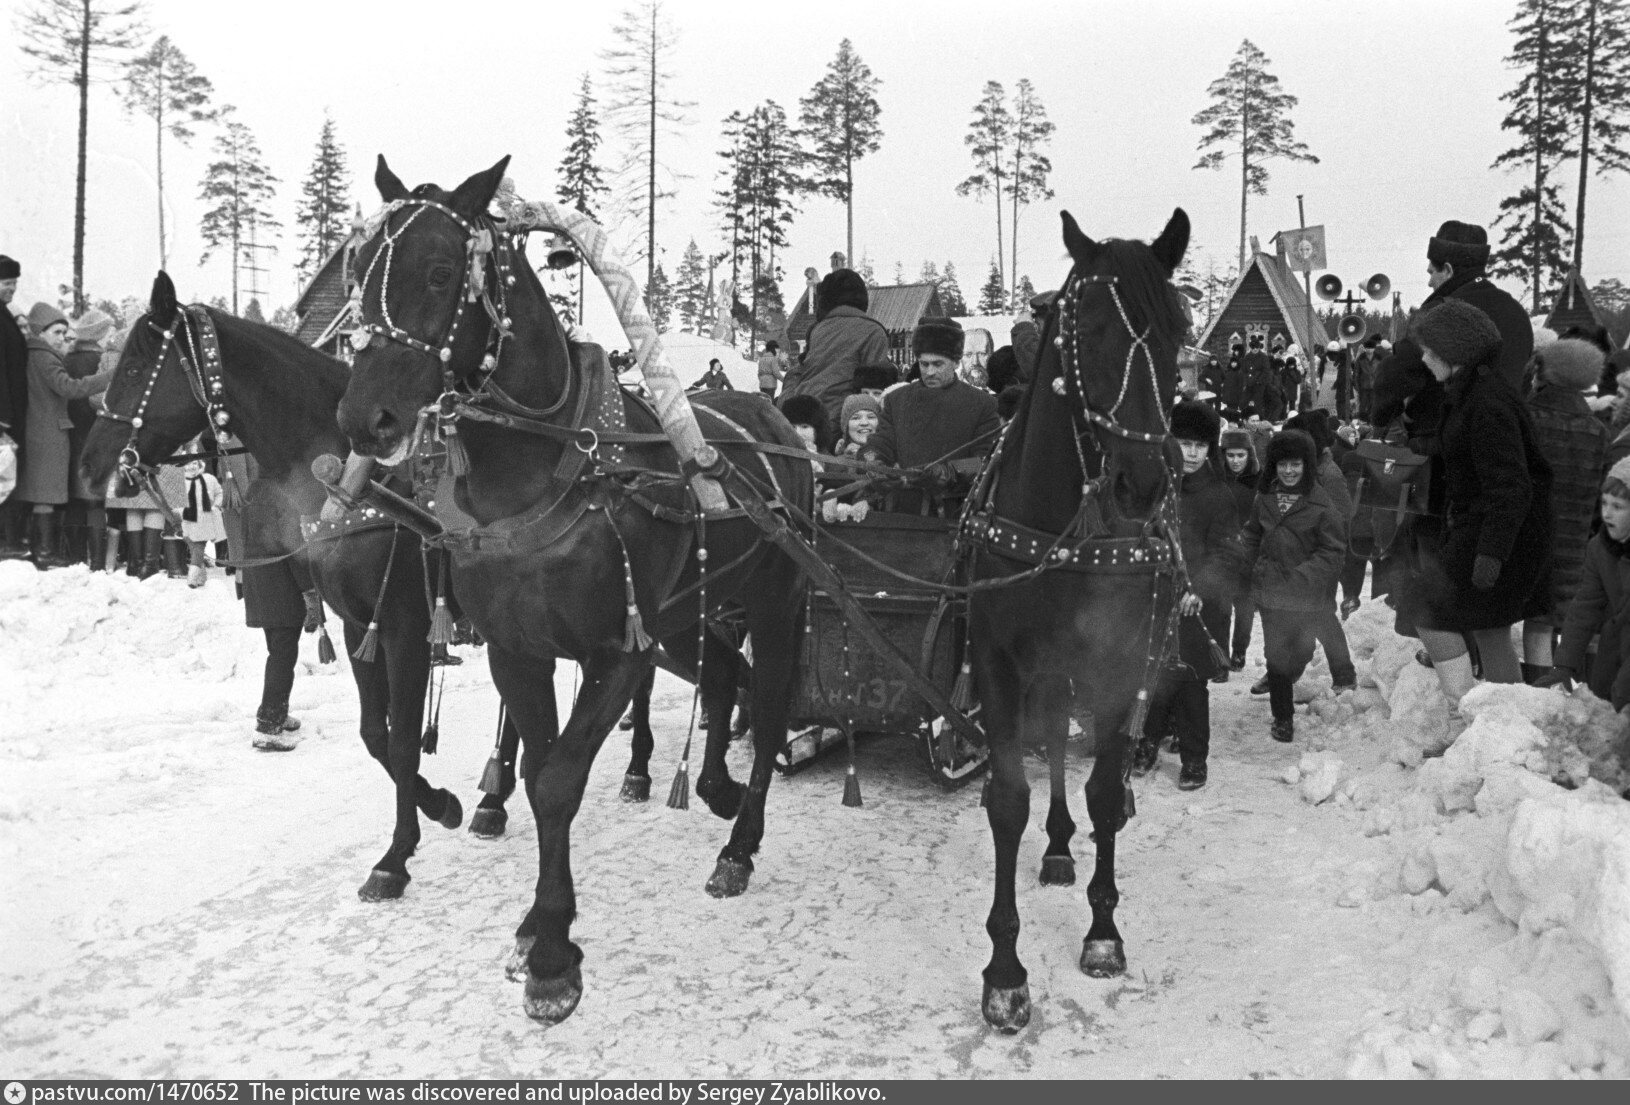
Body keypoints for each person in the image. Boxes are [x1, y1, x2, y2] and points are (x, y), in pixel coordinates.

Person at [1407, 299, 1553, 716]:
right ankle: (1501, 728)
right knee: (1490, 629)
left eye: (1431, 351)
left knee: (1429, 611)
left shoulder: (1487, 402)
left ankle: (1471, 712)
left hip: (1501, 534)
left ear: (1455, 355)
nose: (1424, 357)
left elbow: (1511, 486)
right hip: (1497, 529)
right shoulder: (1474, 391)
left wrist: (1491, 555)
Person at [1132, 400, 1239, 789]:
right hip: (1156, 601)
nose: (1191, 454)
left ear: (1211, 449)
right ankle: (1147, 741)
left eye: (1200, 445)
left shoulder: (1219, 496)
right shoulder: (1157, 490)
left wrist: (1201, 591)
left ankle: (1195, 759)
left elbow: (1227, 556)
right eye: (1184, 443)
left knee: (1191, 685)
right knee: (1154, 676)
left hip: (1197, 608)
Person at [1237, 428, 1347, 743]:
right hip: (1271, 593)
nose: (1288, 471)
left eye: (1295, 464)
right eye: (1283, 464)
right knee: (1276, 655)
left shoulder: (1321, 503)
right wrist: (1245, 558)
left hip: (1306, 598)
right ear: (1274, 465)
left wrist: (1302, 575)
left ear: (1307, 465)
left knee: (1301, 650)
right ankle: (1282, 718)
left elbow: (1333, 551)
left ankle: (1290, 680)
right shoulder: (1265, 497)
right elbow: (1253, 534)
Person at [1522, 338, 1608, 681]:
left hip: (1533, 532)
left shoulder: (1531, 417)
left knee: (1537, 621)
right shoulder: (1596, 430)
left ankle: (1538, 691)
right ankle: (1577, 691)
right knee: (1564, 617)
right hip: (1575, 538)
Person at [862, 317, 1000, 515]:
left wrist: (948, 472)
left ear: (956, 362)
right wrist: (873, 464)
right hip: (898, 513)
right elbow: (874, 446)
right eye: (924, 364)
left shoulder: (982, 404)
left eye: (937, 364)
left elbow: (984, 461)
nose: (929, 372)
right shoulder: (896, 400)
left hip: (952, 514)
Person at [17, 302, 113, 568]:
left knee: (56, 498)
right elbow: (69, 388)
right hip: (60, 434)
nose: (62, 338)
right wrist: (109, 376)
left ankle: (57, 553)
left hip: (55, 433)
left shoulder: (45, 356)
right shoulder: (46, 356)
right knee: (65, 498)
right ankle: (53, 554)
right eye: (57, 332)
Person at [239, 477, 323, 750]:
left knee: (278, 649)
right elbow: (292, 546)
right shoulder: (284, 491)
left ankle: (277, 711)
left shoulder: (255, 488)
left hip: (259, 578)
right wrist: (309, 590)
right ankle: (268, 726)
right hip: (282, 583)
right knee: (283, 655)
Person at [1540, 457, 1630, 708]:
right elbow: (1585, 608)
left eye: (1618, 506)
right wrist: (1564, 665)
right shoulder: (1600, 549)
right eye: (1604, 503)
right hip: (1613, 660)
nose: (1607, 513)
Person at [779, 268, 890, 429]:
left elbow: (802, 370)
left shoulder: (817, 329)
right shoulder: (874, 331)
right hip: (840, 421)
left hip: (802, 416)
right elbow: (874, 387)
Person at [63, 308, 115, 569]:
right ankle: (95, 561)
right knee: (95, 500)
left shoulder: (65, 359)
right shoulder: (101, 362)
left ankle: (74, 559)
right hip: (96, 435)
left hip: (69, 435)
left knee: (74, 498)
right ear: (99, 334)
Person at [1220, 426, 1260, 670]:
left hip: (1249, 553)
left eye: (1241, 455)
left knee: (1244, 609)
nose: (1236, 461)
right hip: (1222, 553)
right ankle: (1221, 657)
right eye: (1231, 455)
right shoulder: (1215, 481)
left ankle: (1239, 652)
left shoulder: (1260, 481)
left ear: (1249, 455)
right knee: (1221, 610)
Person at [0, 256, 30, 560]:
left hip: (10, 414)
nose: (13, 289)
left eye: (14, 284)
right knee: (3, 475)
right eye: (7, 283)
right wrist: (3, 418)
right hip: (4, 417)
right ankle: (6, 542)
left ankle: (9, 540)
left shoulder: (5, 314)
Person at [180, 457, 226, 587]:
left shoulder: (209, 478)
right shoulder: (180, 481)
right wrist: (179, 512)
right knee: (193, 547)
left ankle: (192, 577)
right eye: (188, 463)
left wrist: (216, 506)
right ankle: (201, 577)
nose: (191, 466)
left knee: (199, 546)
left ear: (200, 464)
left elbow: (219, 493)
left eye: (194, 463)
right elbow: (176, 500)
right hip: (187, 520)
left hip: (205, 519)